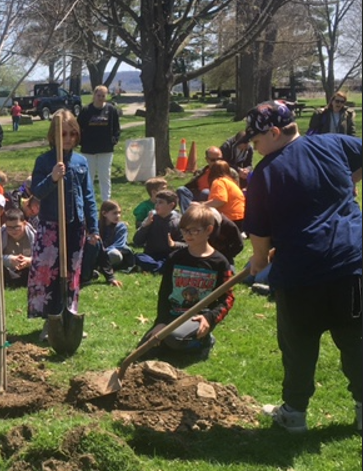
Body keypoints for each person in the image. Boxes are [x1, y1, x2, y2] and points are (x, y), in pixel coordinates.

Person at [242, 99, 362, 433]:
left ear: (275, 132)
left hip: (300, 274)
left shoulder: (265, 173)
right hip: (352, 265)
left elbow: (260, 235)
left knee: (299, 346)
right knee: (357, 339)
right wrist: (346, 182)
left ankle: (294, 414)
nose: (254, 149)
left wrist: (258, 260)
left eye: (256, 142)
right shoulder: (333, 143)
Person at [28, 109, 99, 342]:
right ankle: (51, 320)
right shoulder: (45, 161)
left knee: (71, 274)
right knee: (50, 274)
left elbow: (88, 195)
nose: (68, 139)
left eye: (72, 134)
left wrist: (94, 227)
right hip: (51, 226)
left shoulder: (81, 161)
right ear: (54, 136)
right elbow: (36, 192)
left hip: (75, 226)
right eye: (63, 134)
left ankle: (69, 316)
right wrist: (53, 178)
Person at [138, 204, 234, 362]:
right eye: (184, 230)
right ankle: (173, 339)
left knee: (173, 339)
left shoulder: (219, 262)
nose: (187, 235)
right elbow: (164, 292)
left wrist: (209, 318)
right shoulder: (176, 258)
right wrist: (161, 321)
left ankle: (204, 342)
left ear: (209, 230)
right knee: (145, 351)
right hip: (173, 315)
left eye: (194, 230)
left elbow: (228, 298)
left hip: (197, 318)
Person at [77, 85, 121, 202]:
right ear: (94, 95)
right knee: (88, 177)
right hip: (88, 150)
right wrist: (81, 142)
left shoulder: (111, 110)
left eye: (103, 95)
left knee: (104, 176)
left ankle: (106, 202)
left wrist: (114, 140)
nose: (101, 98)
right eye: (98, 95)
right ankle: (87, 201)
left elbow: (116, 128)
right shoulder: (86, 110)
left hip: (105, 149)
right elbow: (78, 128)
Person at [132, 189, 185, 273]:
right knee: (137, 256)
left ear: (171, 205)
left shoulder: (178, 222)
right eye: (156, 202)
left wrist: (174, 244)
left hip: (168, 255)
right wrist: (145, 226)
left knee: (175, 260)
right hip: (150, 255)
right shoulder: (151, 218)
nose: (156, 205)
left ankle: (155, 267)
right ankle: (160, 268)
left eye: (160, 202)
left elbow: (186, 245)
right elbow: (137, 241)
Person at [0, 208, 36, 287]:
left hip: (27, 267)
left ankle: (15, 281)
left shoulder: (35, 235)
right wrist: (9, 259)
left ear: (25, 223)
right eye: (9, 227)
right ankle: (17, 280)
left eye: (17, 227)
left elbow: (43, 257)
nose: (13, 231)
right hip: (8, 267)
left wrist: (29, 261)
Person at [176, 146, 222, 213]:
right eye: (213, 160)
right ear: (207, 159)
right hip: (198, 195)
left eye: (219, 159)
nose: (217, 162)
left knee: (205, 192)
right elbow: (191, 185)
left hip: (213, 197)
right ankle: (187, 216)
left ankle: (200, 215)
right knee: (181, 190)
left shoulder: (227, 172)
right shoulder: (202, 171)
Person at [205, 159, 245, 231]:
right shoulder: (230, 181)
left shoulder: (219, 182)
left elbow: (220, 201)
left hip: (230, 219)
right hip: (240, 217)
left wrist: (201, 205)